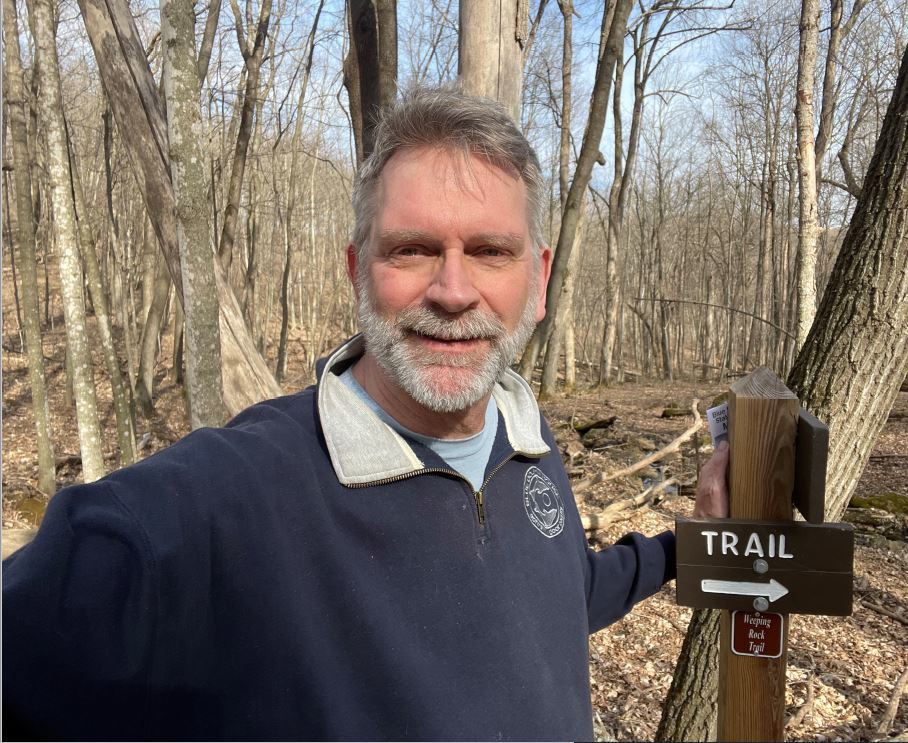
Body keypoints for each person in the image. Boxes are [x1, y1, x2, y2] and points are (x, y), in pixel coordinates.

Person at [2, 85, 729, 741]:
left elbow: (559, 597)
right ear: (358, 272)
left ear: (537, 281)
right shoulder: (232, 500)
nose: (453, 291)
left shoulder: (525, 439)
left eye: (489, 251)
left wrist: (682, 547)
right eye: (412, 250)